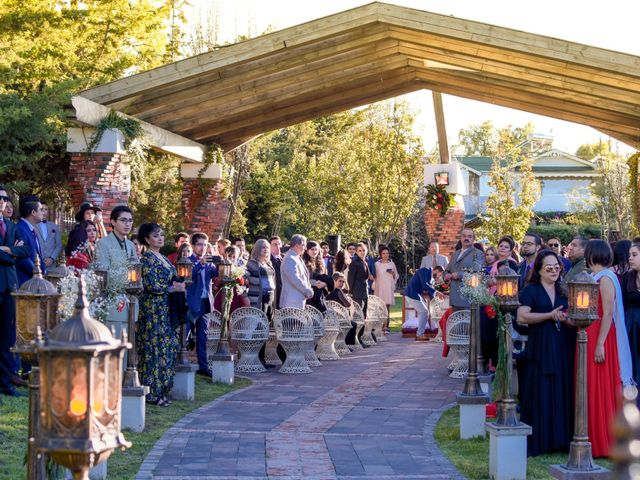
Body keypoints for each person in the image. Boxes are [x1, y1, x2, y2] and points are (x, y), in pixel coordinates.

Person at [516, 249, 575, 457]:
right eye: (549, 267)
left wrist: (566, 318)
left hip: (561, 345)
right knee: (541, 390)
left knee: (561, 389)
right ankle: (540, 441)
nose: (554, 270)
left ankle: (560, 440)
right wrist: (549, 315)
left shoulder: (563, 291)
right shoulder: (531, 290)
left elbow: (572, 317)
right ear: (539, 270)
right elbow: (522, 317)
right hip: (540, 345)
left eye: (557, 267)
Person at [584, 239, 633, 457]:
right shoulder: (596, 276)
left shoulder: (605, 278)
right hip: (591, 332)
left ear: (591, 254)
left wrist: (601, 343)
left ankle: (603, 440)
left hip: (600, 335)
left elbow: (608, 313)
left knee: (600, 385)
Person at [136, 222, 184, 406]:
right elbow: (151, 285)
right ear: (147, 239)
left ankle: (163, 390)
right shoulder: (146, 258)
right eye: (156, 235)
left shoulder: (163, 257)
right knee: (153, 350)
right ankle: (152, 392)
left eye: (162, 234)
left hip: (167, 309)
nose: (160, 238)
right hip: (153, 310)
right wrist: (173, 287)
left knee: (167, 348)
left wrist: (178, 285)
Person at [0, 186, 29, 397]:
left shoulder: (10, 225)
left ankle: (4, 384)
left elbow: (26, 250)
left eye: (4, 199)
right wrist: (12, 252)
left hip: (9, 286)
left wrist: (8, 250)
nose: (2, 202)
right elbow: (15, 254)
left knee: (6, 338)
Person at [94, 205, 137, 338]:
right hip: (113, 302)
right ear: (113, 222)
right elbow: (103, 274)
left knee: (128, 349)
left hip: (131, 302)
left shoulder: (131, 245)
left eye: (130, 221)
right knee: (115, 350)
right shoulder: (103, 244)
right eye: (123, 220)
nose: (127, 224)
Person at [186, 232, 217, 378]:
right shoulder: (188, 260)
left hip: (206, 303)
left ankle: (203, 366)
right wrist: (200, 264)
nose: (202, 247)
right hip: (191, 304)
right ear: (193, 246)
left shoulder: (209, 262)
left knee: (203, 336)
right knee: (185, 335)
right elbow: (188, 276)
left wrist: (221, 262)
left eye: (205, 245)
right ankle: (181, 364)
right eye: (199, 244)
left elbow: (217, 275)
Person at [443, 228, 484, 310]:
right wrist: (446, 275)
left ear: (473, 239)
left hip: (468, 299)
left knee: (468, 323)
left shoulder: (478, 254)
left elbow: (478, 274)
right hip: (454, 298)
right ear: (461, 238)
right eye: (464, 236)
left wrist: (460, 275)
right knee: (456, 322)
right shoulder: (455, 254)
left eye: (469, 236)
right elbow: (447, 270)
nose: (466, 238)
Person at [16, 196, 46, 285]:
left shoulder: (30, 229)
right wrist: (37, 273)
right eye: (41, 209)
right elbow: (22, 259)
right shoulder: (20, 229)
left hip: (33, 280)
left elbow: (37, 255)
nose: (43, 213)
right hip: (25, 282)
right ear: (33, 212)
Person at [279, 234, 313, 309]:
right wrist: (308, 291)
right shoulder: (290, 259)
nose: (306, 248)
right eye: (304, 245)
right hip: (291, 303)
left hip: (297, 302)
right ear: (297, 246)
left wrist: (309, 288)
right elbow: (295, 279)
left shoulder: (296, 257)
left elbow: (304, 277)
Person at [404, 267, 439, 341]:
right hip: (411, 294)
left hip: (414, 295)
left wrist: (435, 303)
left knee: (425, 312)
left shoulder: (429, 276)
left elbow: (429, 290)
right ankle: (420, 335)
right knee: (424, 312)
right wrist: (437, 292)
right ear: (436, 270)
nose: (438, 277)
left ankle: (420, 334)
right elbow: (424, 284)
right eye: (439, 275)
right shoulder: (424, 270)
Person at [623, 242, 640, 387]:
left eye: (634, 255)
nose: (630, 258)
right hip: (631, 327)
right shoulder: (628, 277)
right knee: (632, 361)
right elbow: (623, 303)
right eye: (629, 255)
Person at [246, 238, 276, 318]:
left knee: (267, 323)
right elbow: (242, 281)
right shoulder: (251, 264)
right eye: (263, 247)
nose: (266, 249)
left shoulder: (269, 264)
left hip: (270, 297)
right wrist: (245, 297)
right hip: (257, 298)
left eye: (267, 247)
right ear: (257, 249)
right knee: (257, 324)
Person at [373, 245, 398, 333]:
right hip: (379, 287)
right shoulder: (376, 264)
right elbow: (374, 276)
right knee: (379, 307)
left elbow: (396, 275)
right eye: (383, 253)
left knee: (387, 306)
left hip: (388, 287)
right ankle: (378, 326)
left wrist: (393, 274)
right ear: (380, 254)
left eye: (387, 253)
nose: (385, 255)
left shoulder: (392, 263)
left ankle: (386, 326)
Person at [303, 241, 332, 313]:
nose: (314, 251)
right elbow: (303, 279)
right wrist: (316, 283)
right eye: (312, 249)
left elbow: (325, 276)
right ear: (307, 250)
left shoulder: (321, 262)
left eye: (316, 249)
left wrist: (324, 283)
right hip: (309, 294)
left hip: (320, 293)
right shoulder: (303, 262)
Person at [348, 242, 371, 316]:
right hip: (356, 293)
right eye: (360, 251)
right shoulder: (354, 263)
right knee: (358, 316)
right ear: (356, 252)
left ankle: (363, 328)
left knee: (364, 315)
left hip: (365, 292)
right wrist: (350, 292)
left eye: (363, 250)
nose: (362, 252)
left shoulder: (365, 263)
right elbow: (351, 279)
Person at [38, 201, 62, 268]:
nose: (44, 212)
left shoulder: (54, 226)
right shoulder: (33, 226)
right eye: (42, 209)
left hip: (51, 265)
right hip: (37, 264)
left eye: (46, 209)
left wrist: (52, 258)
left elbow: (59, 245)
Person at [270, 236, 283, 309]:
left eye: (279, 244)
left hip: (284, 294)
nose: (278, 246)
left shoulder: (285, 258)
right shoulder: (267, 260)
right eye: (275, 244)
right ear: (270, 246)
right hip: (274, 293)